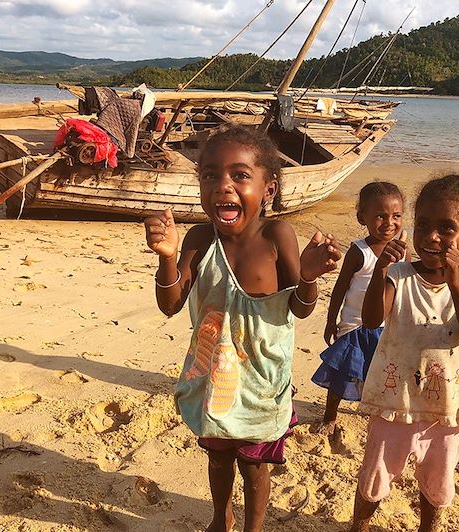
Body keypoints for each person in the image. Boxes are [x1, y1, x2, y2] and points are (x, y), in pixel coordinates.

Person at [144, 125, 341, 532]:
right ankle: (221, 517)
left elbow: (302, 310)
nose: (223, 186)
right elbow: (171, 304)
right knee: (218, 456)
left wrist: (308, 277)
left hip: (261, 381)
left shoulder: (277, 235)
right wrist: (167, 257)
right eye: (211, 175)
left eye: (239, 175)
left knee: (255, 463)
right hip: (212, 379)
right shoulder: (199, 238)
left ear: (268, 188)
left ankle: (253, 526)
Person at [350, 174, 459, 532]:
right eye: (424, 225)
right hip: (394, 399)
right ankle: (359, 524)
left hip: (445, 409)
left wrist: (454, 282)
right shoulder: (398, 275)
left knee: (436, 483)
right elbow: (371, 319)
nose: (432, 237)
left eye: (447, 229)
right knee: (375, 478)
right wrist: (381, 269)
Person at [311, 182, 406, 434]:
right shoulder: (359, 251)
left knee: (380, 372)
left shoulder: (401, 252)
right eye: (380, 216)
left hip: (386, 327)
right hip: (354, 325)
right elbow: (340, 288)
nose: (389, 223)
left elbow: (401, 291)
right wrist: (331, 320)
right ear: (361, 217)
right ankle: (330, 416)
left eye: (396, 216)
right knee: (343, 371)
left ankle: (375, 410)